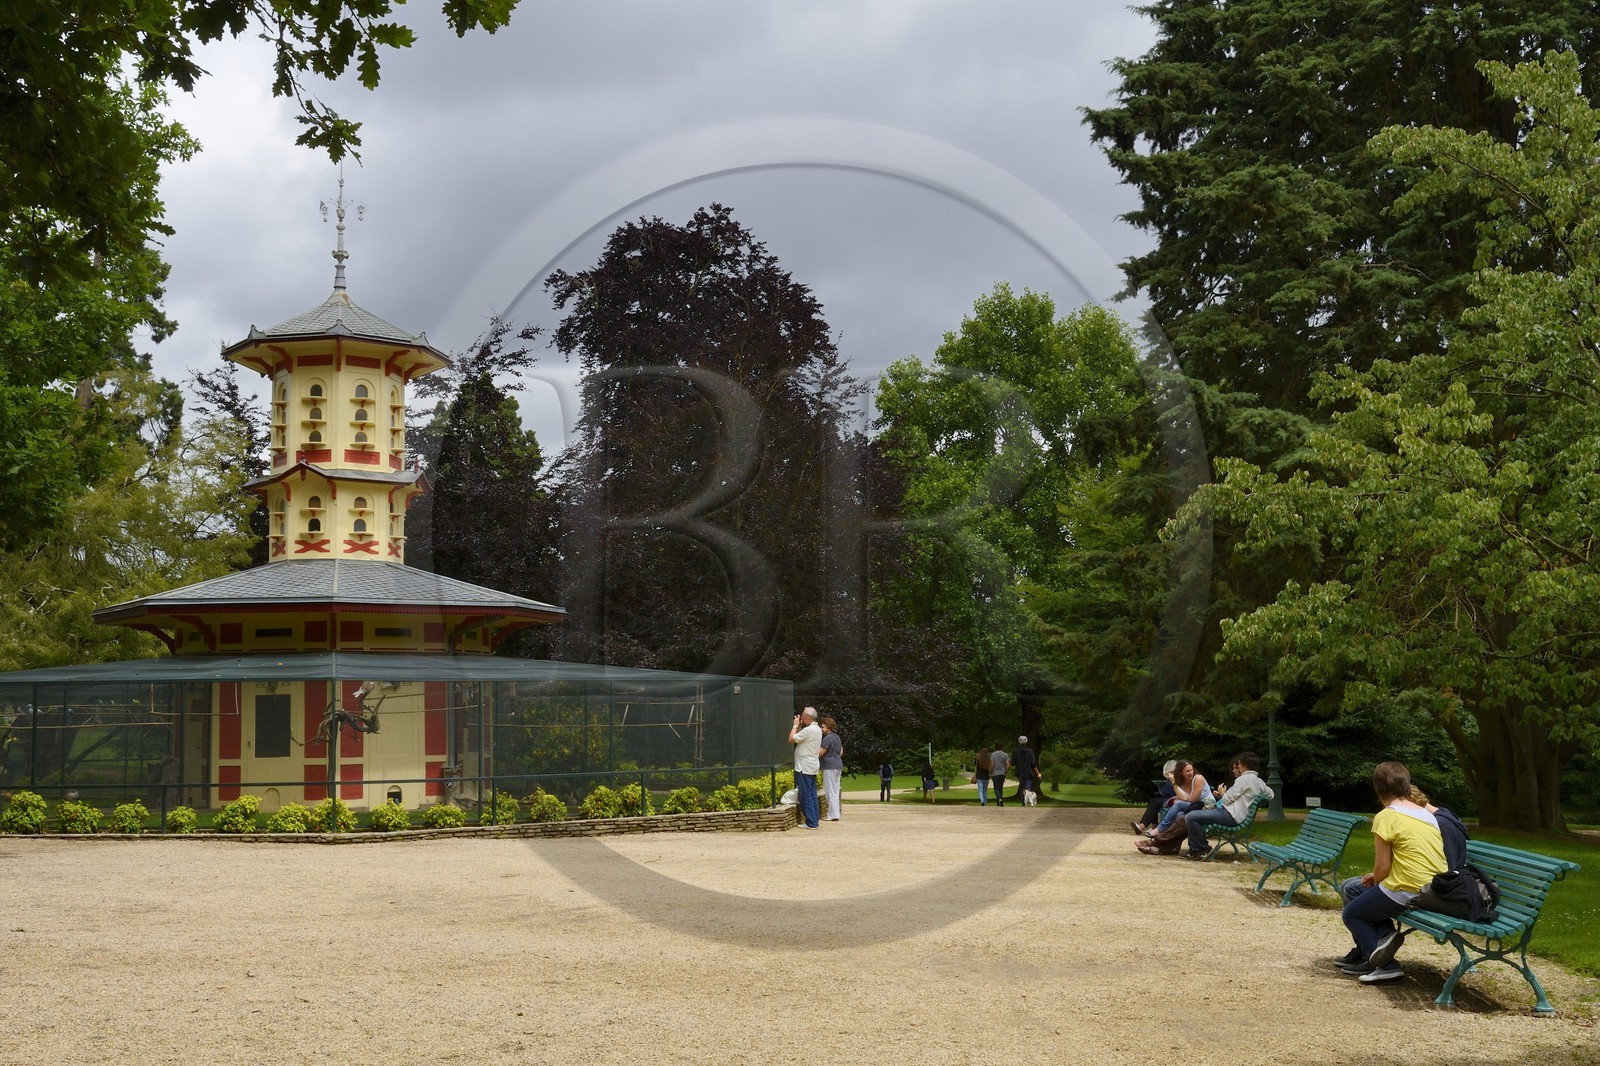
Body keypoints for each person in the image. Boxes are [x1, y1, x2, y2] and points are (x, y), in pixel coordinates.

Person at [1333, 762, 1447, 984]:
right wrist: (1375, 877)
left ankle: (1385, 964)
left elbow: (1383, 867)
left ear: (1378, 788)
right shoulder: (1426, 815)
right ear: (1406, 784)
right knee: (1353, 887)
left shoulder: (1387, 816)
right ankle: (1379, 944)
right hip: (1434, 887)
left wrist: (1377, 878)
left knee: (1352, 913)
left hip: (1407, 888)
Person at [1360, 785, 1468, 970]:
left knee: (1355, 902)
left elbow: (1443, 869)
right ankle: (1375, 947)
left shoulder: (1439, 822)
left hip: (1433, 890)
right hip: (1423, 884)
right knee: (1356, 888)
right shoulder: (1436, 818)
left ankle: (1380, 958)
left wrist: (1382, 880)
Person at [1136, 752, 1272, 858]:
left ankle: (1200, 848)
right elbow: (1271, 794)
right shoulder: (1258, 781)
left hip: (1229, 815)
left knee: (1190, 817)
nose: (1237, 767)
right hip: (1231, 814)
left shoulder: (1244, 780)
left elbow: (1227, 800)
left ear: (1243, 765)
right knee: (1185, 817)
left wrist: (1223, 793)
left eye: (1239, 765)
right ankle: (1163, 846)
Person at [1145, 759, 1210, 837]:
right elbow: (1184, 797)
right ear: (1181, 773)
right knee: (1179, 815)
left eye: (1191, 770)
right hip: (1193, 806)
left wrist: (1183, 798)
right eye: (1187, 771)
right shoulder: (1181, 781)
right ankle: (1172, 844)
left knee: (1178, 804)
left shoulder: (1198, 778)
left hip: (1206, 805)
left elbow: (1192, 799)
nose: (1191, 772)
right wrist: (1174, 783)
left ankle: (1160, 829)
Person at [788, 706, 822, 829]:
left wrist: (795, 725)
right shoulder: (816, 729)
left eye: (803, 715)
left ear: (808, 717)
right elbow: (800, 737)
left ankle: (811, 822)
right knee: (812, 794)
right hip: (811, 766)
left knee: (805, 794)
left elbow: (791, 739)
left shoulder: (809, 731)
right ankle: (814, 820)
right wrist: (800, 725)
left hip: (804, 767)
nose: (801, 717)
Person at [1133, 759, 1180, 834]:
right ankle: (1150, 826)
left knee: (1154, 803)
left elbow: (1170, 792)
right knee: (1154, 802)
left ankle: (1144, 827)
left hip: (1175, 799)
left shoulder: (1175, 779)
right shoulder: (1172, 779)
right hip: (1171, 798)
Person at [819, 716, 844, 822]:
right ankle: (835, 813)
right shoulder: (837, 737)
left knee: (829, 791)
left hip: (829, 766)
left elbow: (820, 753)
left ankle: (832, 815)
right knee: (835, 790)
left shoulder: (827, 738)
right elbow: (841, 752)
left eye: (823, 727)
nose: (821, 729)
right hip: (838, 765)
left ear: (828, 728)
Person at [1011, 736, 1041, 804]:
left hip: (1020, 772)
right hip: (1029, 772)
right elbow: (1033, 763)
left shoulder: (1016, 751)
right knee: (1028, 787)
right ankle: (1027, 800)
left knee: (1022, 786)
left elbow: (1013, 763)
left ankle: (1023, 801)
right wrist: (1038, 773)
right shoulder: (1030, 751)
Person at [989, 743, 1009, 808]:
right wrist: (1005, 771)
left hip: (995, 773)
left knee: (996, 788)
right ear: (1002, 747)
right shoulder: (1005, 755)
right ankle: (999, 801)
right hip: (1002, 773)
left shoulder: (993, 755)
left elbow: (992, 765)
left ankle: (999, 799)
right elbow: (1008, 765)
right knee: (1000, 788)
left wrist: (991, 772)